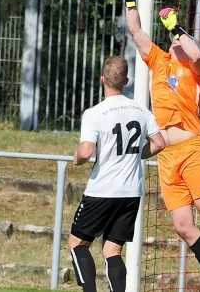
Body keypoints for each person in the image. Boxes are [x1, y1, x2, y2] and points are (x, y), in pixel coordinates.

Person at [122, 0, 200, 286]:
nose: (177, 43)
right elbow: (135, 29)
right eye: (174, 40)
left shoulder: (195, 70)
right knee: (183, 225)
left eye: (180, 39)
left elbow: (196, 53)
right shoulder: (158, 61)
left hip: (192, 148)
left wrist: (176, 27)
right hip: (167, 154)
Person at [68, 56, 166, 292]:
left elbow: (86, 150)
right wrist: (136, 155)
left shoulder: (95, 113)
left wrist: (77, 158)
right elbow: (160, 143)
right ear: (127, 81)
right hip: (130, 192)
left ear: (102, 79)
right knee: (112, 251)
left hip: (102, 190)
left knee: (77, 244)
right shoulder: (140, 110)